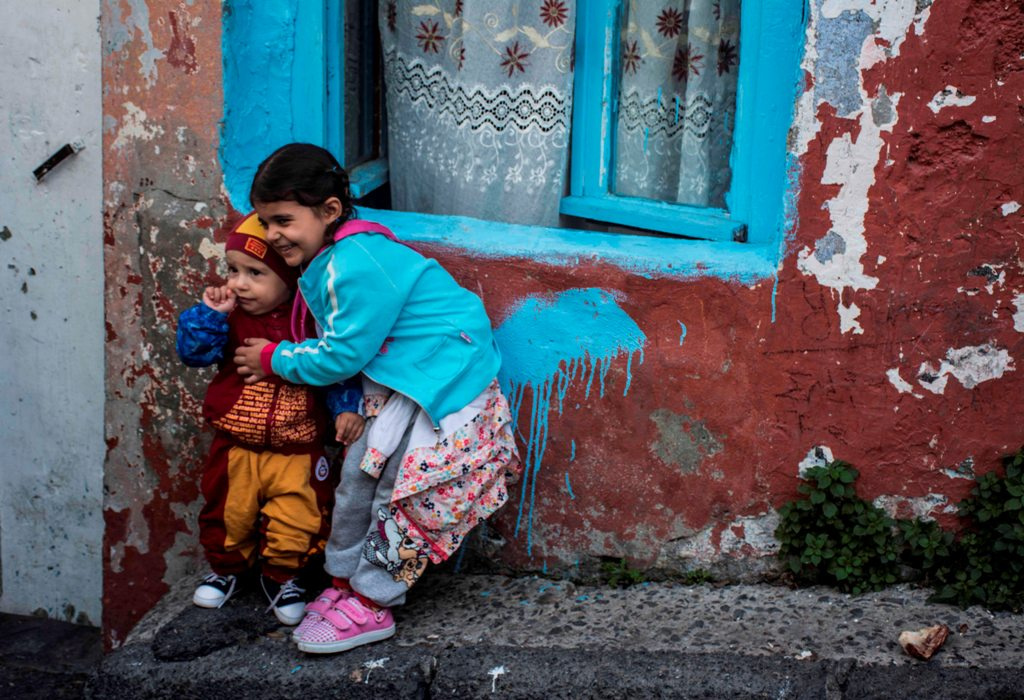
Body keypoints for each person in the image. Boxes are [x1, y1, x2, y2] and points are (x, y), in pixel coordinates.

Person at [233, 142, 522, 654]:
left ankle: (374, 602)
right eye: (265, 222)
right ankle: (345, 582)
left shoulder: (358, 260)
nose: (272, 235)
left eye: (282, 220)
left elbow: (341, 354)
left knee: (399, 492)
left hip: (443, 384)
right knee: (357, 479)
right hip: (403, 381)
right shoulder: (333, 256)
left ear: (329, 211)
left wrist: (274, 359)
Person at [176, 212, 365, 625]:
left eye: (255, 273)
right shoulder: (230, 318)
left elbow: (336, 368)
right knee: (228, 511)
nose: (238, 283)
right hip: (236, 447)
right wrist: (209, 316)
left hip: (296, 448)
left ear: (290, 278)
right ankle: (228, 570)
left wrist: (347, 407)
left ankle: (283, 577)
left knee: (298, 516)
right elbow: (194, 354)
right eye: (233, 270)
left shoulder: (313, 323)